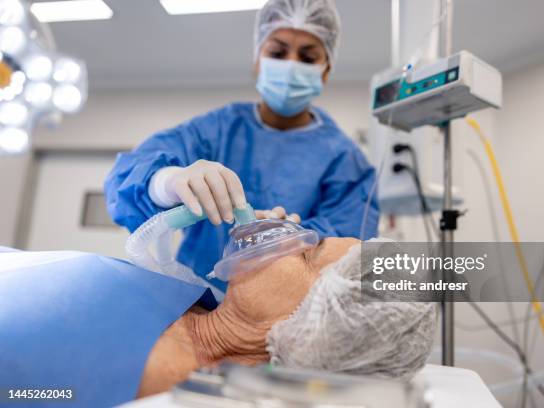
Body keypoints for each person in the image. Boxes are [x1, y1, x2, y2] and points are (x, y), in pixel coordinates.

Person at [103, 0, 380, 305]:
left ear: (326, 70)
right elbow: (126, 178)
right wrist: (166, 182)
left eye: (308, 56)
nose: (290, 64)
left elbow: (350, 243)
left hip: (285, 318)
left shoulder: (343, 158)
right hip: (194, 304)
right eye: (277, 53)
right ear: (257, 62)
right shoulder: (218, 130)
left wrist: (290, 238)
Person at [0, 239, 436, 406]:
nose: (292, 234)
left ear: (311, 324)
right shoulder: (193, 300)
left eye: (307, 252)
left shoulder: (133, 378)